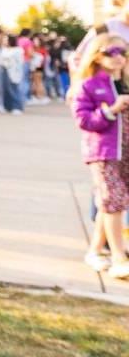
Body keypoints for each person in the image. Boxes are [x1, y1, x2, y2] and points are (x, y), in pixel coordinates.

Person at [73, 34, 129, 278]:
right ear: (97, 55)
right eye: (111, 52)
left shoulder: (125, 83)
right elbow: (83, 120)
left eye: (123, 52)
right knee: (113, 201)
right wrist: (110, 111)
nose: (118, 58)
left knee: (110, 204)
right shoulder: (89, 84)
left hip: (125, 152)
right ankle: (118, 257)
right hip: (104, 153)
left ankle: (95, 250)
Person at [2, 34, 26, 115]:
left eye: (6, 39)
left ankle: (17, 107)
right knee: (6, 89)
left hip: (14, 71)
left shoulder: (18, 50)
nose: (4, 41)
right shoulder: (4, 49)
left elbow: (20, 62)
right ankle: (8, 106)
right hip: (5, 70)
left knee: (14, 89)